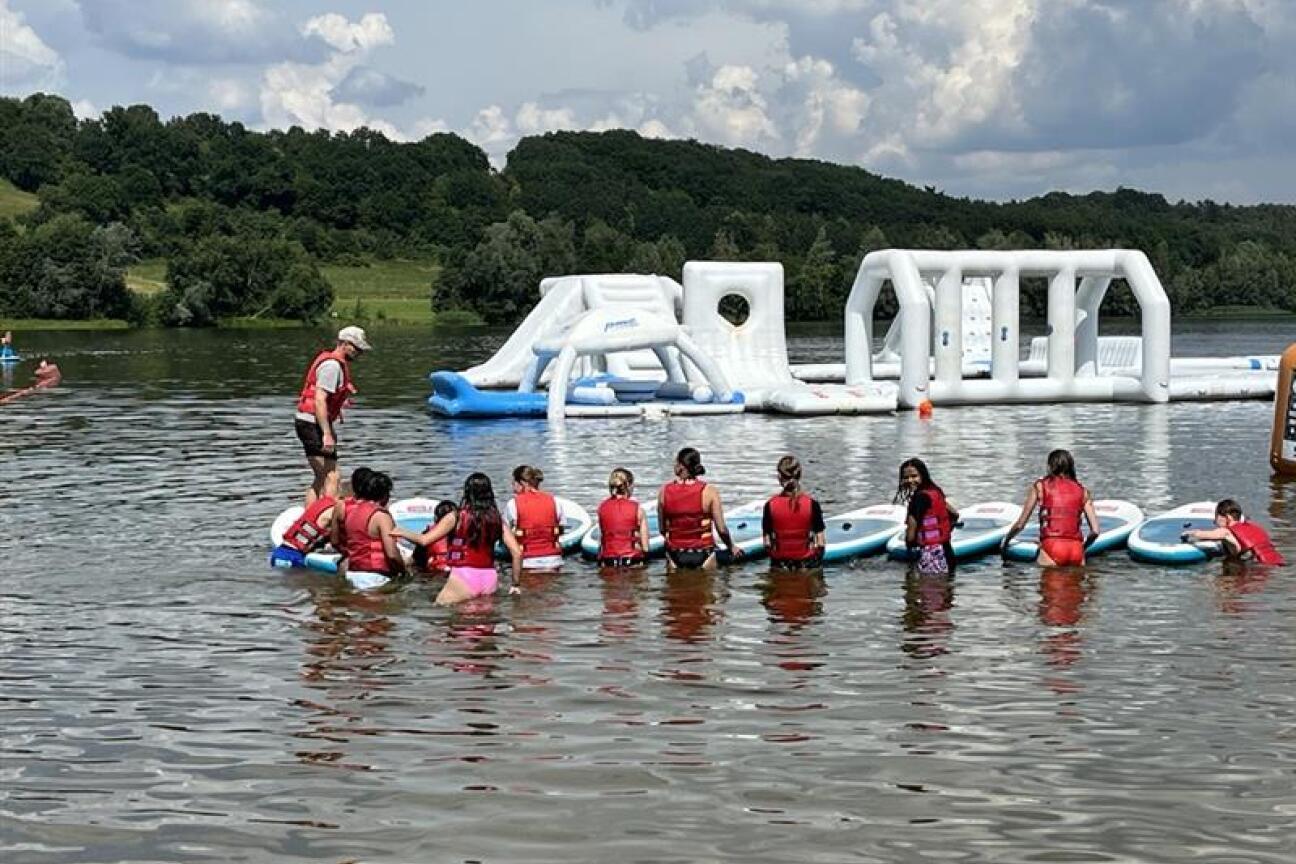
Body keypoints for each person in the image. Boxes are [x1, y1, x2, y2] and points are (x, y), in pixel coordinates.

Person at [396, 473, 523, 605]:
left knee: (439, 612)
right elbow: (517, 553)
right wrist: (515, 584)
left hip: (464, 576)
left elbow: (424, 540)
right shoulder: (497, 519)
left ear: (467, 492)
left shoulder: (456, 517)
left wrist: (401, 532)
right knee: (483, 623)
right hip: (489, 577)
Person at [294, 326, 371, 506]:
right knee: (331, 477)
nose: (359, 353)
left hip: (310, 422)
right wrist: (327, 433)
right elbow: (320, 400)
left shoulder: (334, 364)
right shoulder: (332, 366)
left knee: (324, 476)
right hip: (311, 423)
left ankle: (312, 517)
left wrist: (329, 429)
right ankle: (325, 519)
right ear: (344, 344)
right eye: (356, 348)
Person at [1001, 449, 1102, 566]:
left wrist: (1006, 542)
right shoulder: (1083, 491)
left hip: (1052, 547)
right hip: (1076, 550)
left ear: (1050, 466)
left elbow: (1020, 524)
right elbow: (1095, 531)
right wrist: (1083, 548)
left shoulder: (1040, 486)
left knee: (1048, 582)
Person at [657, 447, 743, 571]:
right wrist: (732, 547)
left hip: (674, 553)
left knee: (674, 589)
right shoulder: (710, 491)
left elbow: (662, 529)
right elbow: (722, 529)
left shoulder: (664, 491)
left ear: (681, 466)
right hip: (703, 552)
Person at [332, 469, 405, 589]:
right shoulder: (381, 516)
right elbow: (392, 554)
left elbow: (337, 541)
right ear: (384, 495)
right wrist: (404, 571)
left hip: (353, 573)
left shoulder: (350, 511)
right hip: (376, 577)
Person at [894, 457, 960, 575]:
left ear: (923, 475)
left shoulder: (918, 499)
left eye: (914, 476)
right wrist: (943, 533)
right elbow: (954, 514)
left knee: (924, 590)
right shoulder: (935, 491)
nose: (910, 480)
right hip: (947, 551)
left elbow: (910, 535)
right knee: (945, 589)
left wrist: (910, 548)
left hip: (931, 556)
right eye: (906, 478)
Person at [762, 455, 826, 569]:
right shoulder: (812, 504)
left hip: (780, 564)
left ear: (779, 478)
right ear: (800, 475)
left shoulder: (769, 506)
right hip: (806, 564)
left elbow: (767, 543)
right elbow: (821, 544)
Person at [1186, 499, 1286, 565]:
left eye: (1217, 517)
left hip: (1257, 567)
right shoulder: (1254, 527)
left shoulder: (1226, 531)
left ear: (1228, 517)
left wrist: (1190, 533)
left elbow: (1207, 535)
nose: (1214, 521)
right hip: (1278, 562)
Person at [504, 465, 566, 570]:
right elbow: (561, 529)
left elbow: (504, 532)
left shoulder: (513, 504)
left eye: (514, 482)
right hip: (554, 559)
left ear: (522, 483)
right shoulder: (554, 501)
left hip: (527, 561)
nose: (512, 486)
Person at [597, 467, 651, 568]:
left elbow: (602, 540)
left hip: (608, 562)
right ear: (629, 486)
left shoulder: (602, 508)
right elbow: (646, 547)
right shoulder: (638, 509)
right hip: (633, 562)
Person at [412, 500, 458, 573]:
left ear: (436, 518)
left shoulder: (427, 534)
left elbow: (417, 559)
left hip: (433, 575)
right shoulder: (464, 535)